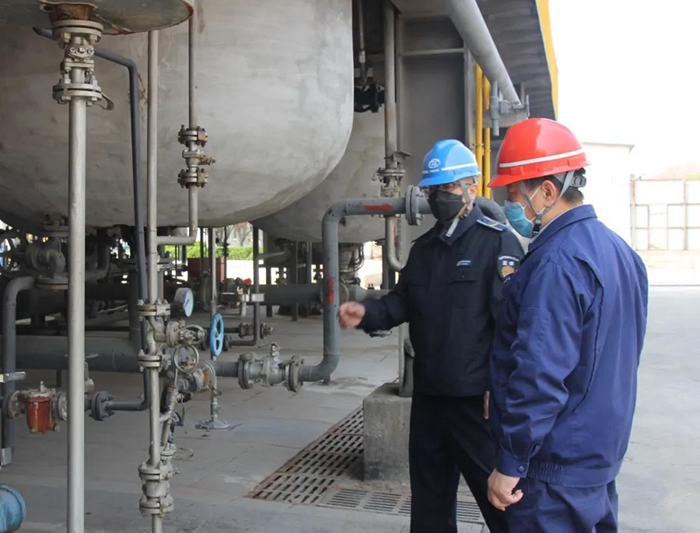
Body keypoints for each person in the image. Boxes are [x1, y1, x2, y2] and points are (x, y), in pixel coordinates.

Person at [338, 139, 524, 533]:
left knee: (501, 505)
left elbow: (512, 327)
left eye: (449, 188)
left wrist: (500, 388)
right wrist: (366, 313)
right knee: (429, 507)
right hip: (429, 400)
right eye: (434, 190)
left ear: (472, 187)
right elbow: (401, 304)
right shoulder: (424, 250)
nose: (440, 197)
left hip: (475, 403)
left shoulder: (496, 242)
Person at [485, 117, 649, 532]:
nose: (510, 206)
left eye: (513, 194)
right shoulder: (621, 252)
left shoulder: (556, 264)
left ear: (547, 191)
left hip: (552, 473)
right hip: (597, 462)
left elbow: (539, 374)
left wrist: (511, 461)